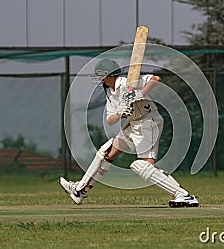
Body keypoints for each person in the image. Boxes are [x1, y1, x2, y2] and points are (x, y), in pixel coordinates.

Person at [59, 59, 198, 207]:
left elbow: (156, 79)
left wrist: (139, 93)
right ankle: (81, 190)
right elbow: (110, 120)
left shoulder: (129, 82)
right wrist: (120, 113)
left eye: (101, 76)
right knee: (106, 153)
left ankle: (184, 195)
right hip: (132, 125)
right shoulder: (110, 93)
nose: (99, 79)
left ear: (109, 75)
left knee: (142, 166)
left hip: (148, 123)